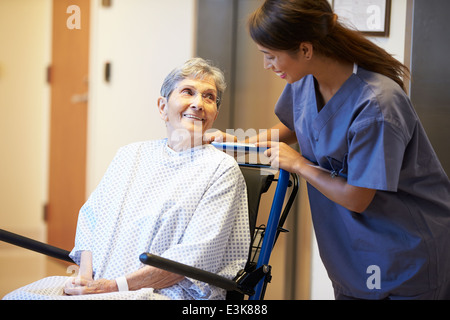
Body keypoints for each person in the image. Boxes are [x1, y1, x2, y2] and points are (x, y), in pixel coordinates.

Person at [212, 0, 450, 300]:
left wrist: (299, 164)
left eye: (271, 56)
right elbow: (298, 126)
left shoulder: (377, 104)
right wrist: (234, 144)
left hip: (403, 255)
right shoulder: (304, 80)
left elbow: (357, 197)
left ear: (306, 50)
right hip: (351, 254)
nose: (267, 65)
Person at [3, 57, 250, 300]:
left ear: (215, 113)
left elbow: (194, 257)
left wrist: (113, 287)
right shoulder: (131, 155)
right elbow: (92, 218)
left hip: (162, 293)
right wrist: (87, 280)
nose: (198, 103)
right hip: (101, 286)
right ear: (162, 107)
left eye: (209, 97)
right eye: (188, 92)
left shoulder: (221, 170)